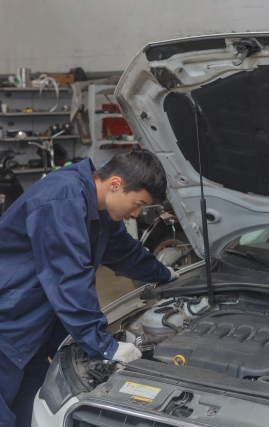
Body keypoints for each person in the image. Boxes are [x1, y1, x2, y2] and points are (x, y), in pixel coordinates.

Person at [0, 149, 179, 427]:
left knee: (32, 413)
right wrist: (105, 346)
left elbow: (124, 253)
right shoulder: (62, 200)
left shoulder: (97, 206)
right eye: (138, 203)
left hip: (32, 330)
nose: (136, 214)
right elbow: (69, 279)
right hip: (8, 324)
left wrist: (165, 273)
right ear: (116, 183)